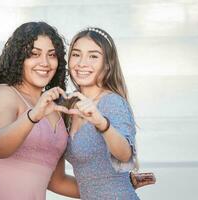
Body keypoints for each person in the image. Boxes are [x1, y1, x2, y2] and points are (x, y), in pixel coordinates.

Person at [0, 22, 79, 200]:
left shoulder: (54, 107)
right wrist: (33, 115)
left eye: (51, 55)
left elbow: (57, 181)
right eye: (34, 54)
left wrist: (112, 187)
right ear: (19, 58)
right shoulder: (3, 93)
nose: (44, 62)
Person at [60, 27, 141, 199]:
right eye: (76, 54)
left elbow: (125, 155)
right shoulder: (69, 104)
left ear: (107, 64)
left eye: (93, 56)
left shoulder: (112, 102)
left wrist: (101, 123)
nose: (82, 63)